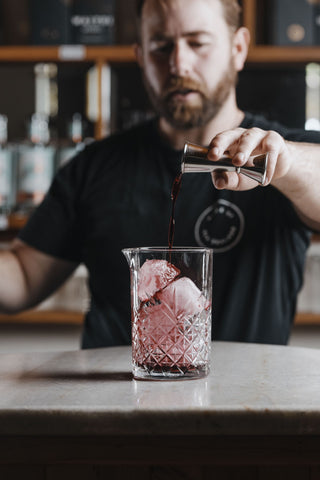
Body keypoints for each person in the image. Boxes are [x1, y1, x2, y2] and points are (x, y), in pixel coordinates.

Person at [1, 0, 320, 348]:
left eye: (197, 43)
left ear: (238, 48)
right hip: (112, 397)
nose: (178, 63)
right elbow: (23, 277)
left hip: (246, 398)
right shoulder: (93, 166)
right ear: (140, 55)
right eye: (161, 46)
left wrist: (284, 164)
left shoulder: (285, 155)